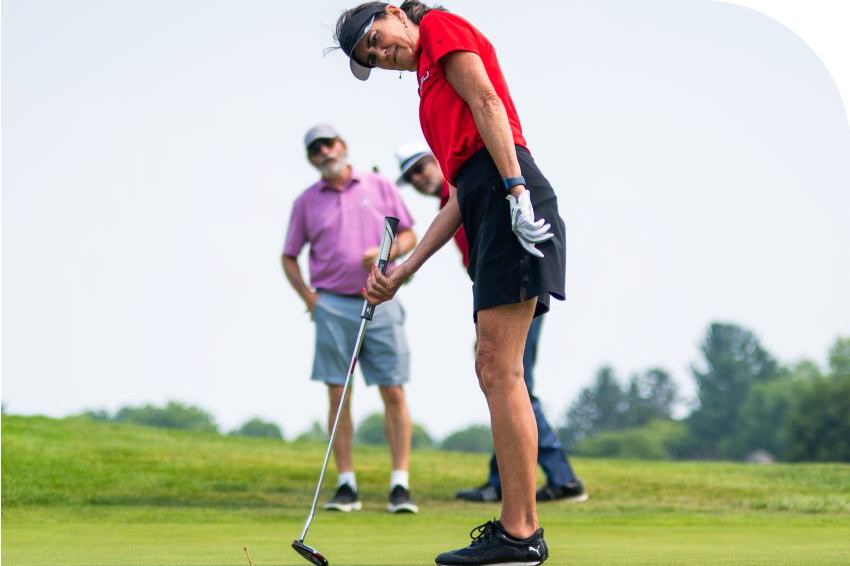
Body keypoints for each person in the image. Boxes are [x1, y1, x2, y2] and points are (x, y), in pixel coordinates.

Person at [333, 3, 568, 564]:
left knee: (500, 368)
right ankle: (519, 531)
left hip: (510, 192)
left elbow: (487, 101)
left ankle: (520, 534)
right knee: (492, 368)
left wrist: (515, 190)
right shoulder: (426, 96)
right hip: (486, 199)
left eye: (377, 39)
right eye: (372, 58)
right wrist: (403, 270)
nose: (382, 54)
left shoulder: (438, 25)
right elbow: (458, 193)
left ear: (395, 13)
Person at [395, 142, 587, 505]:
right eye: (410, 176)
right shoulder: (452, 202)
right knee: (500, 380)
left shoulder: (466, 190)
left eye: (420, 167)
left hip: (515, 285)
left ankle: (558, 479)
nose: (418, 179)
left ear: (438, 160)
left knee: (511, 382)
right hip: (493, 292)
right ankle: (508, 480)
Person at [282, 123, 420, 514]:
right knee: (338, 393)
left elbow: (409, 235)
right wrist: (309, 298)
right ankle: (346, 485)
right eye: (316, 149)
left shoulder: (378, 185)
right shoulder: (306, 202)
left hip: (381, 298)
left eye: (328, 144)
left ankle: (399, 485)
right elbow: (288, 256)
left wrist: (388, 252)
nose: (324, 152)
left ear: (342, 145)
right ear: (311, 158)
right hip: (332, 305)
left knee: (393, 390)